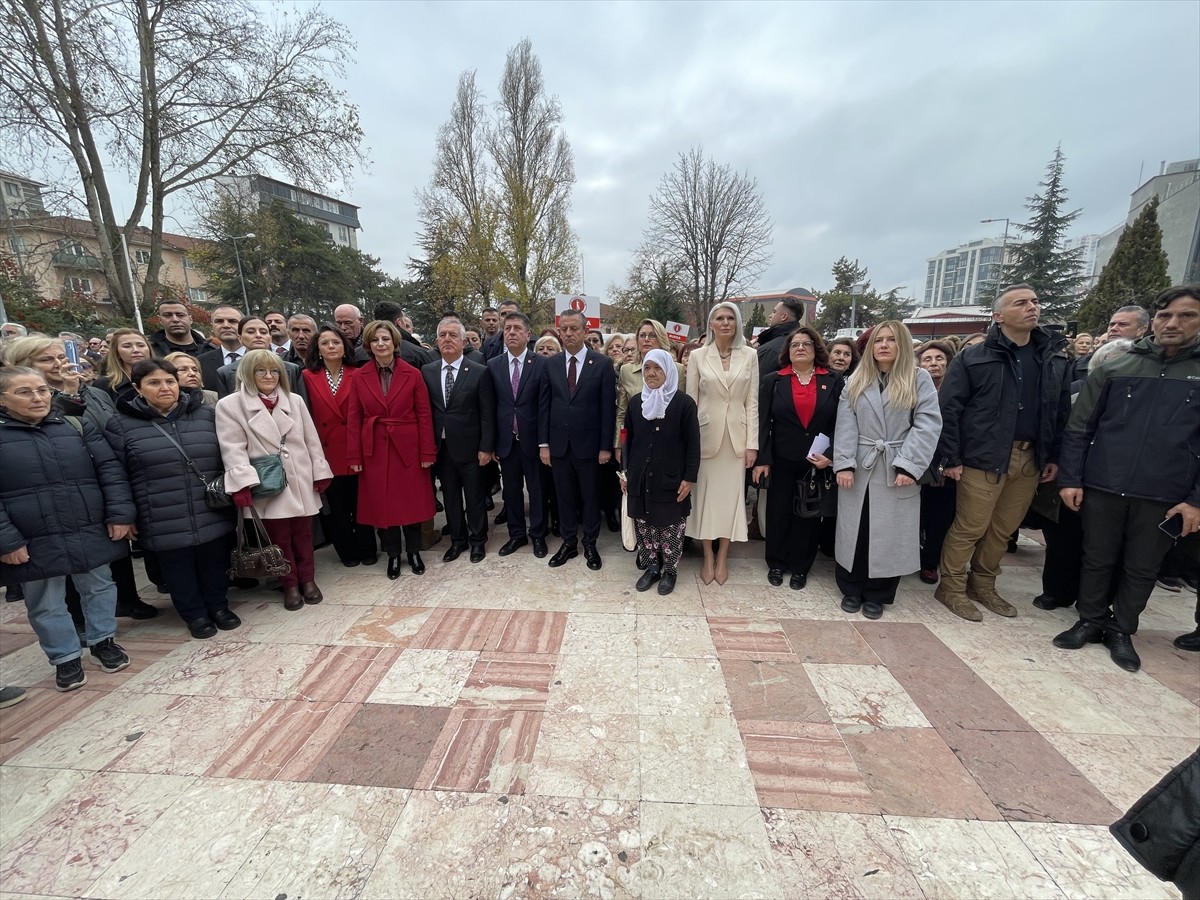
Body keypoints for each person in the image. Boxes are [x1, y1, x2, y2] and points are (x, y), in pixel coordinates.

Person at [1053, 285, 1200, 672]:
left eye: (1187, 315)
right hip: (1104, 484)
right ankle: (1089, 620)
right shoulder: (1116, 367)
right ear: (1153, 320)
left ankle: (1122, 629)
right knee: (1096, 558)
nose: (1173, 323)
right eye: (1165, 315)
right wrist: (1071, 479)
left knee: (1142, 567)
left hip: (1165, 494)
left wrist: (1196, 500)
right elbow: (1079, 427)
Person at [934, 284, 1071, 622]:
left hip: (1029, 459)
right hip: (983, 457)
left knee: (1003, 529)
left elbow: (1060, 411)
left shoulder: (1052, 356)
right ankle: (950, 586)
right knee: (970, 527)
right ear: (998, 316)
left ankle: (983, 585)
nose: (1032, 308)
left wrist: (1053, 455)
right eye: (1020, 303)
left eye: (1035, 301)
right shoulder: (975, 357)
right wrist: (951, 457)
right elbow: (949, 409)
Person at [0, 366, 135, 691]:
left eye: (42, 390)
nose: (37, 397)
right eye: (24, 392)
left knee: (100, 586)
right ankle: (65, 659)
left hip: (86, 525)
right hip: (31, 536)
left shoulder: (74, 424)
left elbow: (109, 470)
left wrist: (119, 514)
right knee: (45, 600)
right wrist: (6, 541)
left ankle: (103, 641)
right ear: (3, 398)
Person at [104, 359, 237, 639]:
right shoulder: (121, 425)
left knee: (214, 560)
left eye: (169, 381)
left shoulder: (205, 415)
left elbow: (227, 457)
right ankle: (195, 614)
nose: (164, 388)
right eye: (154, 382)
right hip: (159, 511)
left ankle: (219, 606)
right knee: (178, 568)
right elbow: (114, 474)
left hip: (208, 506)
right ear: (137, 388)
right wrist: (123, 515)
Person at [833, 321, 942, 617]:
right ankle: (851, 587)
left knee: (888, 531)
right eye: (878, 340)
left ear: (902, 344)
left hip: (896, 464)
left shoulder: (918, 379)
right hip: (861, 462)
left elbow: (928, 424)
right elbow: (845, 424)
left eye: (891, 340)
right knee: (856, 528)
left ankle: (879, 593)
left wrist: (909, 465)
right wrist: (844, 463)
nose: (883, 345)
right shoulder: (856, 379)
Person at [215, 350, 334, 610]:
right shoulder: (230, 405)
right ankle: (289, 583)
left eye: (274, 371)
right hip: (267, 481)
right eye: (261, 371)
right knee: (278, 538)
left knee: (304, 533)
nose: (269, 376)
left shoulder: (295, 401)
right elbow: (232, 447)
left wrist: (319, 470)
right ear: (248, 374)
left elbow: (311, 439)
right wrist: (241, 483)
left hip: (299, 476)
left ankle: (308, 580)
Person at [753, 326, 842, 589]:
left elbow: (842, 422)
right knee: (778, 512)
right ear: (787, 351)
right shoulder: (773, 380)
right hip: (781, 458)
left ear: (817, 350)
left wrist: (831, 455)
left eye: (806, 344)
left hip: (817, 461)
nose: (800, 348)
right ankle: (777, 563)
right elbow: (762, 422)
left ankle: (802, 566)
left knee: (809, 514)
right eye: (794, 345)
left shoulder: (833, 380)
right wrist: (762, 459)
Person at [347, 320, 437, 580]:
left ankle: (414, 552)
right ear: (368, 345)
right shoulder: (360, 376)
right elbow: (355, 417)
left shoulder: (413, 373)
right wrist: (355, 455)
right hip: (374, 448)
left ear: (395, 342)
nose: (381, 344)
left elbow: (424, 414)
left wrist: (427, 453)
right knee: (382, 506)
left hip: (407, 448)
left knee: (411, 504)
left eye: (385, 339)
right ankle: (393, 555)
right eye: (375, 340)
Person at [684, 302, 759, 584]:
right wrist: (688, 442)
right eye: (720, 318)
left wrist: (752, 444)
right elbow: (691, 401)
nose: (725, 322)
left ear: (738, 323)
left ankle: (723, 555)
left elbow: (752, 402)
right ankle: (707, 555)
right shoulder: (698, 356)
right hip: (705, 436)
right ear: (711, 324)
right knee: (704, 498)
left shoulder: (750, 356)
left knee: (730, 500)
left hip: (736, 441)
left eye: (730, 318)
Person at [539, 308, 616, 570]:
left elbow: (608, 408)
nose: (569, 333)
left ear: (585, 331)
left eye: (574, 328)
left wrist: (606, 446)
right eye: (564, 329)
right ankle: (569, 543)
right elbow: (544, 406)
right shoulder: (550, 364)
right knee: (565, 497)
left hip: (590, 447)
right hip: (559, 446)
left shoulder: (602, 364)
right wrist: (544, 444)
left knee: (590, 497)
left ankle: (591, 544)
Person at [622, 349, 700, 595]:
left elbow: (693, 444)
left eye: (658, 368)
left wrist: (689, 477)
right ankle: (652, 567)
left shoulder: (683, 404)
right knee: (645, 526)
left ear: (668, 371)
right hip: (640, 477)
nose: (652, 373)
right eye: (647, 368)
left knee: (670, 527)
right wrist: (626, 472)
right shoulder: (636, 403)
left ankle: (670, 571)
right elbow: (629, 441)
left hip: (671, 479)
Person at [422, 318, 496, 563]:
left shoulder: (479, 372)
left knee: (474, 498)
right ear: (436, 341)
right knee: (450, 498)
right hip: (442, 449)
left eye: (453, 335)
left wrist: (486, 447)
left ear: (464, 342)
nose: (447, 339)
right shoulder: (428, 372)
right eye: (442, 335)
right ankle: (457, 540)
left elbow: (487, 413)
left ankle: (477, 541)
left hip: (471, 449)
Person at [302, 324, 376, 568]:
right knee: (337, 508)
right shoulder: (307, 376)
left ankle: (367, 548)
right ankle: (347, 551)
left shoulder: (360, 373)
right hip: (326, 450)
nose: (331, 346)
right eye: (325, 343)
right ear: (318, 350)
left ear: (345, 348)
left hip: (356, 448)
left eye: (336, 342)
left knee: (363, 503)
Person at [488, 311, 550, 559]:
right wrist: (491, 442)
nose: (511, 332)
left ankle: (537, 535)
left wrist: (545, 442)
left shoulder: (543, 364)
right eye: (507, 328)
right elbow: (490, 407)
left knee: (537, 491)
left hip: (534, 440)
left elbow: (546, 406)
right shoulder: (493, 365)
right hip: (505, 442)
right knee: (511, 491)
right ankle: (516, 535)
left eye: (516, 328)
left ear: (528, 334)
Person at [916, 339, 958, 583]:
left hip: (947, 462)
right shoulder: (913, 389)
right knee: (915, 514)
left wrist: (951, 460)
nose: (933, 364)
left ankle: (930, 562)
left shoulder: (956, 392)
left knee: (940, 516)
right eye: (927, 359)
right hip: (918, 461)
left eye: (939, 358)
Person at [754, 296, 809, 375]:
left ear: (784, 316)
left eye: (774, 312)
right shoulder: (809, 346)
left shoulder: (768, 350)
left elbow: (760, 383)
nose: (770, 315)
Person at [199, 305, 247, 390]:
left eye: (232, 321)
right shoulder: (201, 362)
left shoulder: (263, 358)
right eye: (219, 321)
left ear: (244, 326)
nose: (226, 325)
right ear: (212, 326)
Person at [95, 328, 151, 400]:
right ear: (116, 352)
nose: (136, 350)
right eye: (127, 346)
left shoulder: (165, 377)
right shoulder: (104, 384)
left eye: (141, 345)